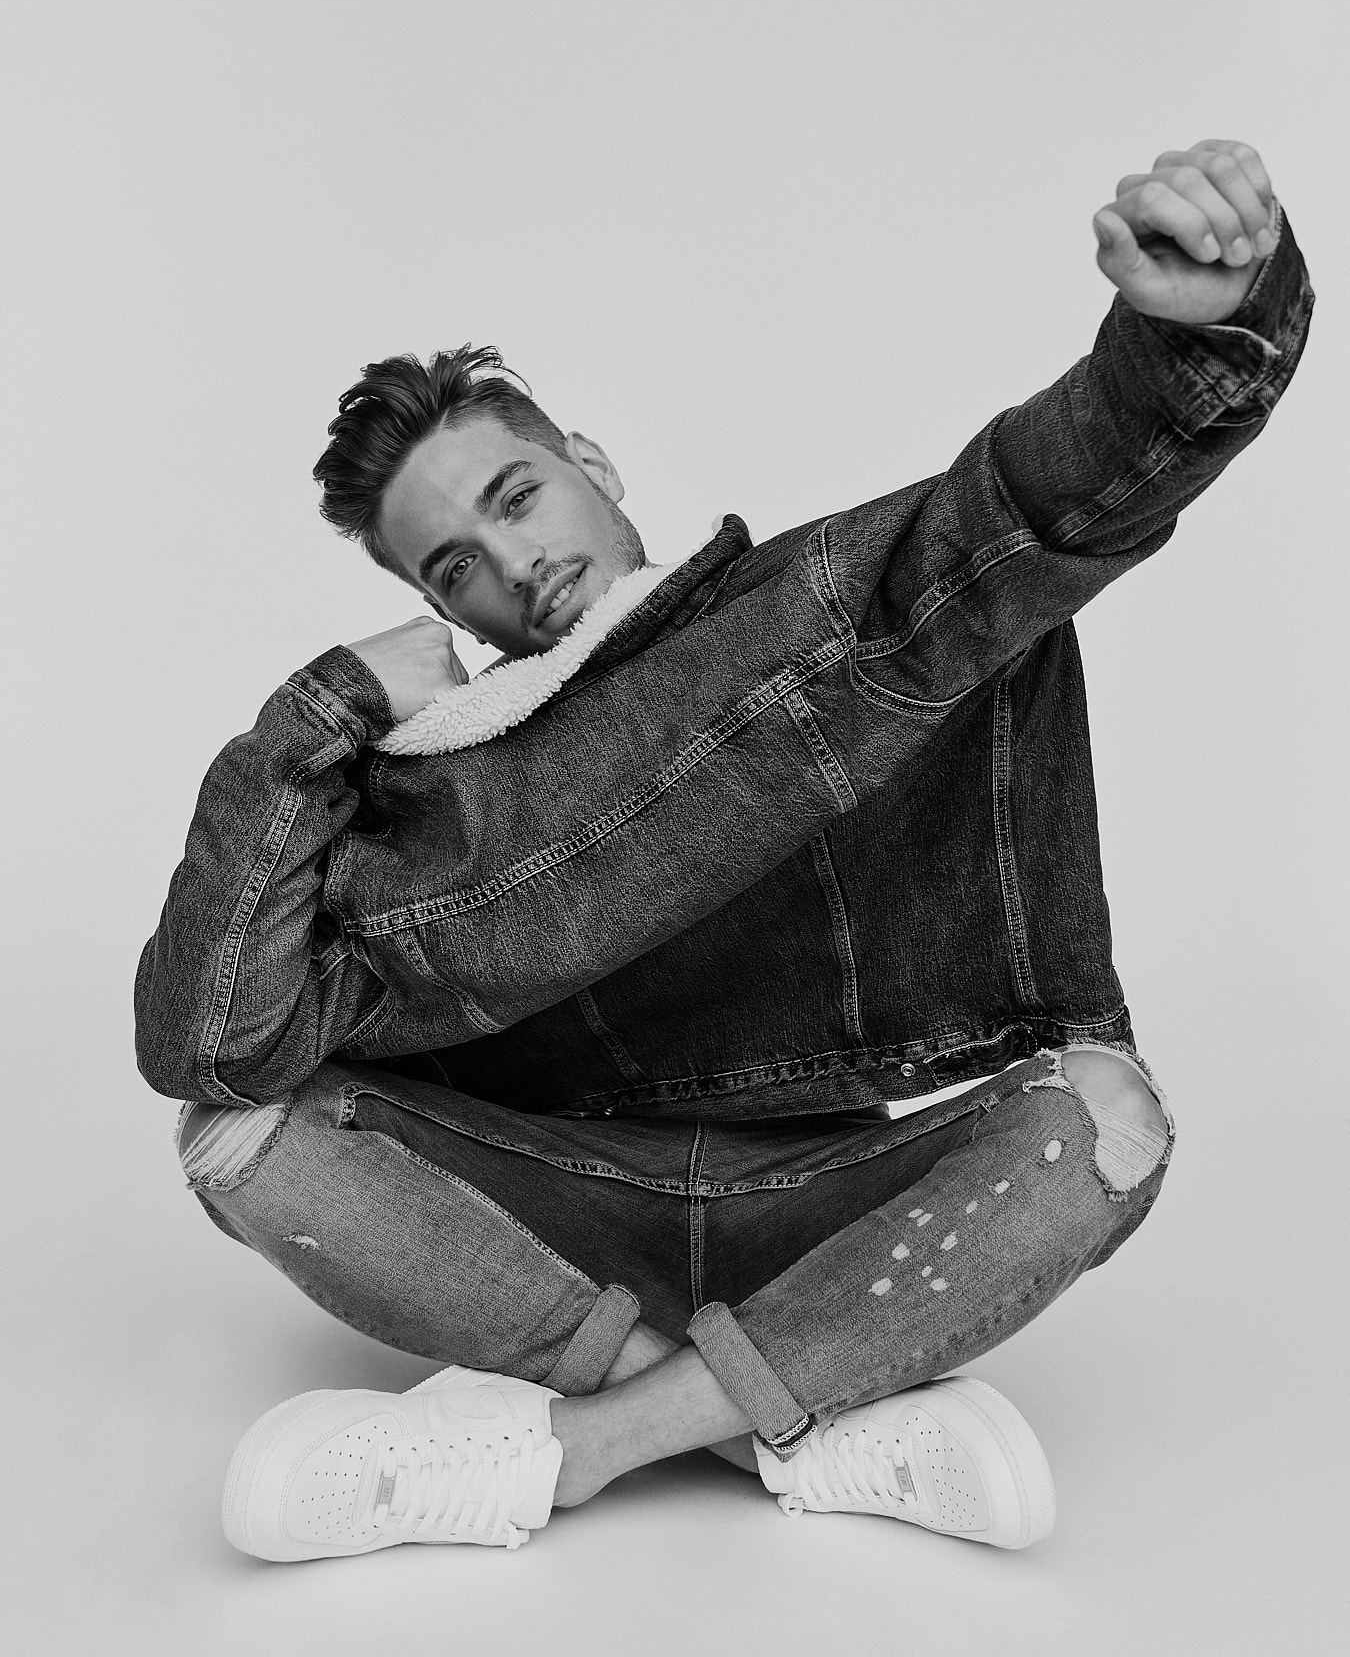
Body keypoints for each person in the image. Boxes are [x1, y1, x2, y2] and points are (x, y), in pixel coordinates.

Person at [138, 140, 1312, 1563]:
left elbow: (1030, 506)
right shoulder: (421, 800)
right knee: (240, 1137)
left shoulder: (812, 611)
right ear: (437, 609)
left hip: (817, 1211)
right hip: (553, 1226)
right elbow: (212, 1049)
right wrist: (312, 720)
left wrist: (1192, 335)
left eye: (514, 497)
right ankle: (798, 1421)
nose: (510, 564)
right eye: (452, 566)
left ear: (590, 464)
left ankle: (577, 1450)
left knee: (1105, 1118)